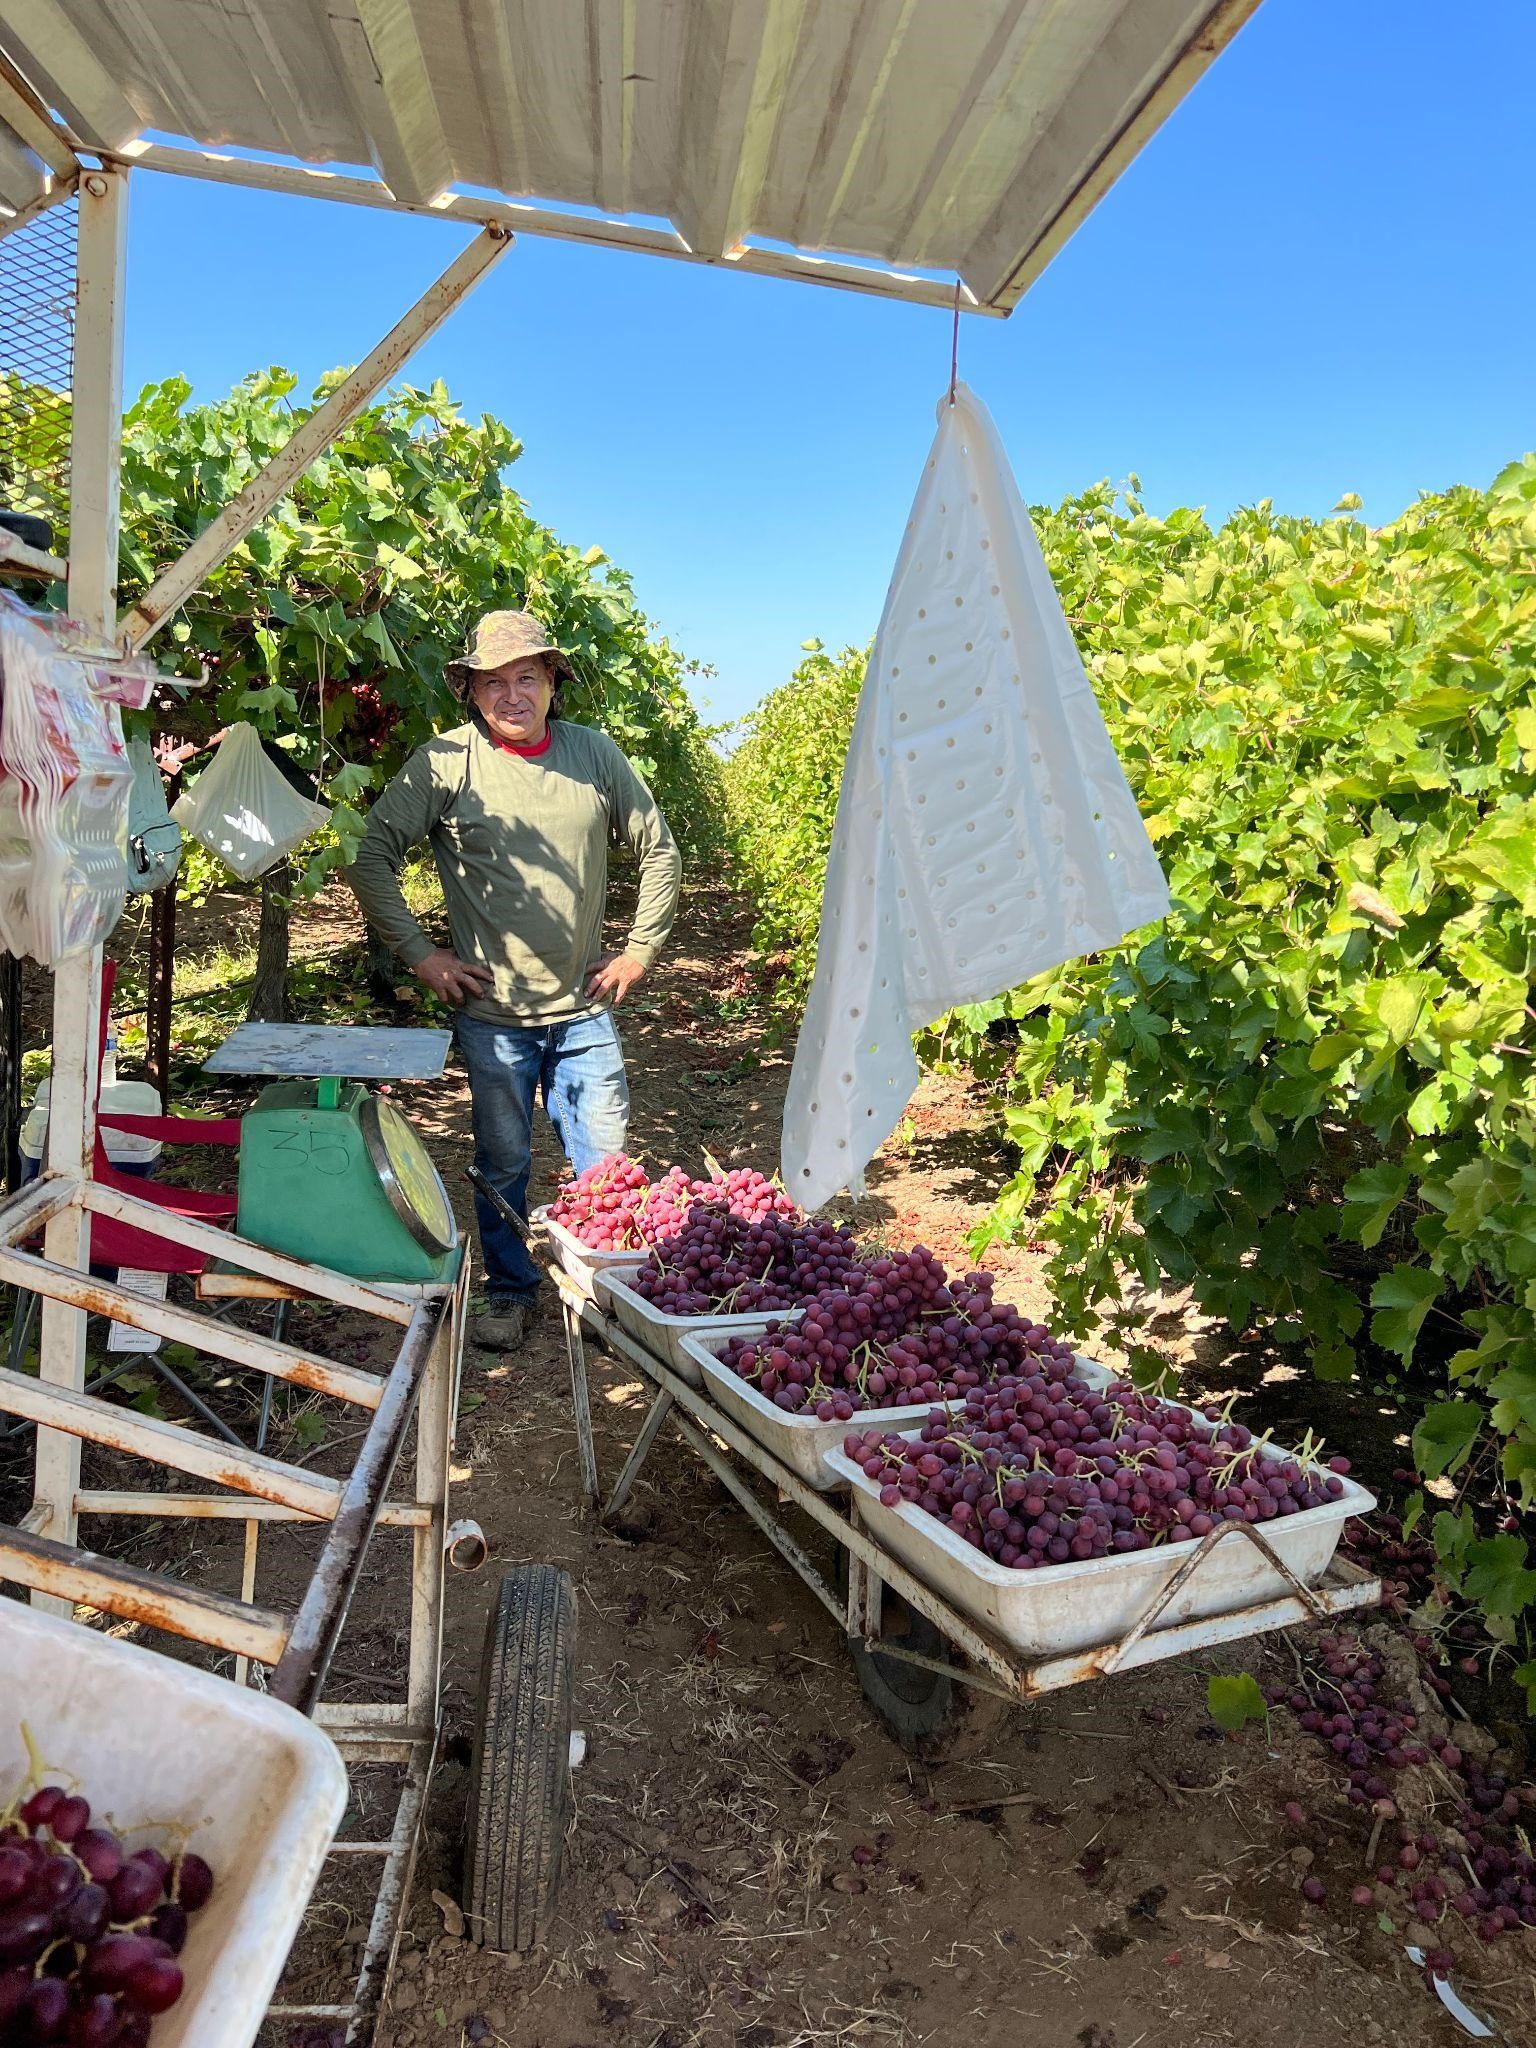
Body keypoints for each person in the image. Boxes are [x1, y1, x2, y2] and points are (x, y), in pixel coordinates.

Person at [348, 609, 682, 1349]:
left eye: (525, 678)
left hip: (584, 1010)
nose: (510, 695)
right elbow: (372, 857)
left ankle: (604, 1291)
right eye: (492, 682)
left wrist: (638, 951)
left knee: (605, 1165)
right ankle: (510, 1291)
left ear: (551, 682)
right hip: (492, 1016)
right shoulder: (447, 761)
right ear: (470, 693)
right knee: (501, 1162)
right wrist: (422, 955)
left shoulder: (594, 755)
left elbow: (659, 850)